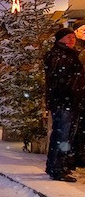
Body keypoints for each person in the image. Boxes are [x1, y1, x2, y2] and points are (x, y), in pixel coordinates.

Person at [44, 28, 85, 182]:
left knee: (66, 135)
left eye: (73, 37)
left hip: (71, 101)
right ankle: (57, 168)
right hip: (64, 101)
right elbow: (57, 80)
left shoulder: (69, 55)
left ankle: (59, 165)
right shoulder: (58, 55)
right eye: (68, 37)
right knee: (62, 134)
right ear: (60, 39)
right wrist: (71, 91)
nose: (71, 40)